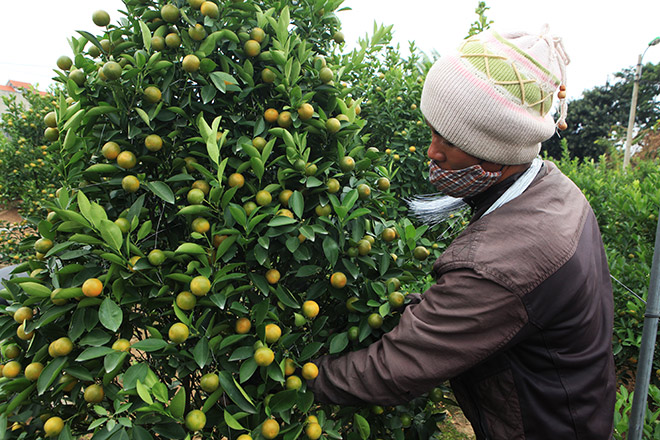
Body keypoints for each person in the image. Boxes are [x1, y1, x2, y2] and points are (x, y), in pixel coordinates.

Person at [308, 26, 616, 439]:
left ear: (498, 151)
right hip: (580, 410)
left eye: (449, 141)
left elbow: (393, 371)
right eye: (433, 130)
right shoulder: (555, 190)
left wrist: (290, 378)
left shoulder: (499, 264)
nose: (432, 151)